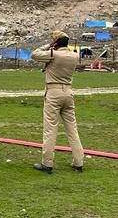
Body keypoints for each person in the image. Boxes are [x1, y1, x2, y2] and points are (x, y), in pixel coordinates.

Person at [31, 30, 85, 174]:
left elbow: (34, 54)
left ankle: (47, 163)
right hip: (68, 91)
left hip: (53, 92)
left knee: (50, 129)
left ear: (55, 42)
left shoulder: (53, 54)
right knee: (72, 129)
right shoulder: (74, 55)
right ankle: (78, 162)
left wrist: (48, 46)